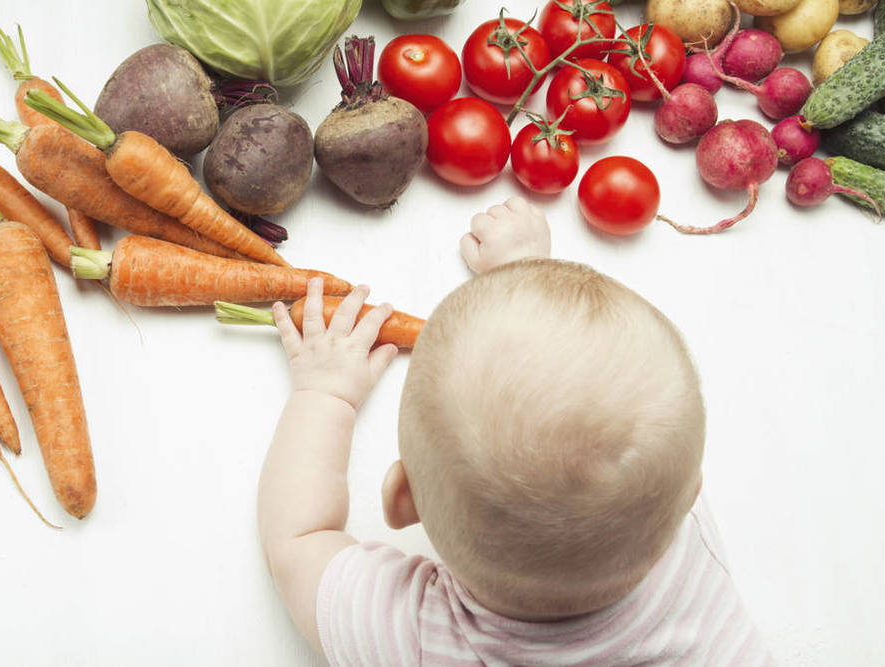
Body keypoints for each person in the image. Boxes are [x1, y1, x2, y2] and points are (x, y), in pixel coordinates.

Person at [258, 197, 773, 665]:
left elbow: (298, 540)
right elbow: (579, 412)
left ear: (402, 500)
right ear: (693, 491)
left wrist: (324, 395)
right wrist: (527, 277)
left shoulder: (418, 640)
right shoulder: (671, 518)